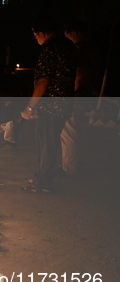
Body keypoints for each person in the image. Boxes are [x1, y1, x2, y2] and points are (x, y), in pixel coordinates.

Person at [21, 16, 77, 192]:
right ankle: (41, 176)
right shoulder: (69, 45)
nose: (36, 40)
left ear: (41, 33)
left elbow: (43, 81)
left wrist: (30, 107)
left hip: (50, 104)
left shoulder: (49, 48)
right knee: (49, 142)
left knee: (46, 143)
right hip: (64, 102)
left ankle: (43, 182)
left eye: (35, 36)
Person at [59, 19, 101, 176]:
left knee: (69, 132)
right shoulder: (93, 48)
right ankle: (73, 165)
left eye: (68, 37)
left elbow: (80, 74)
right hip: (87, 95)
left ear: (74, 34)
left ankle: (69, 168)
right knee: (76, 131)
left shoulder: (82, 50)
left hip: (77, 96)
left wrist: (69, 92)